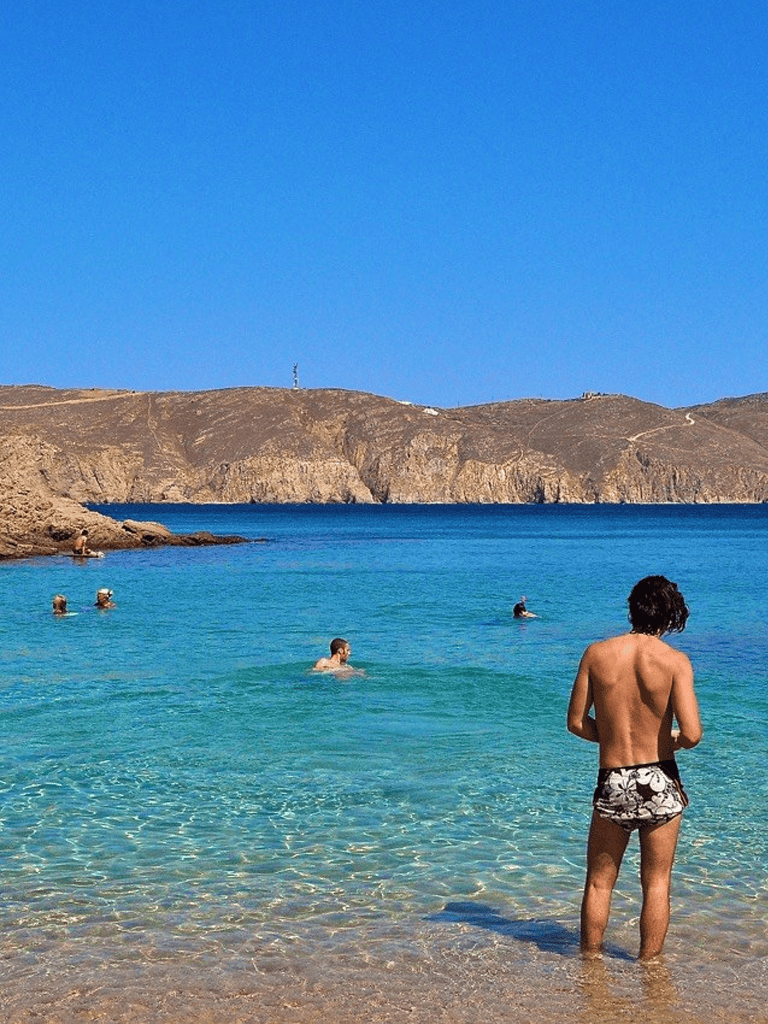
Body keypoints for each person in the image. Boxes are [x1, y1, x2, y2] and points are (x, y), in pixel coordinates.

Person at [567, 575, 702, 960]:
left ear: (632, 609)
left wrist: (611, 739)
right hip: (659, 778)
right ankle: (649, 969)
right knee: (657, 884)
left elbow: (576, 722)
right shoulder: (675, 662)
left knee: (598, 884)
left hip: (614, 778)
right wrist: (665, 741)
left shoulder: (597, 654)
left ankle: (590, 965)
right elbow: (691, 734)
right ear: (670, 614)